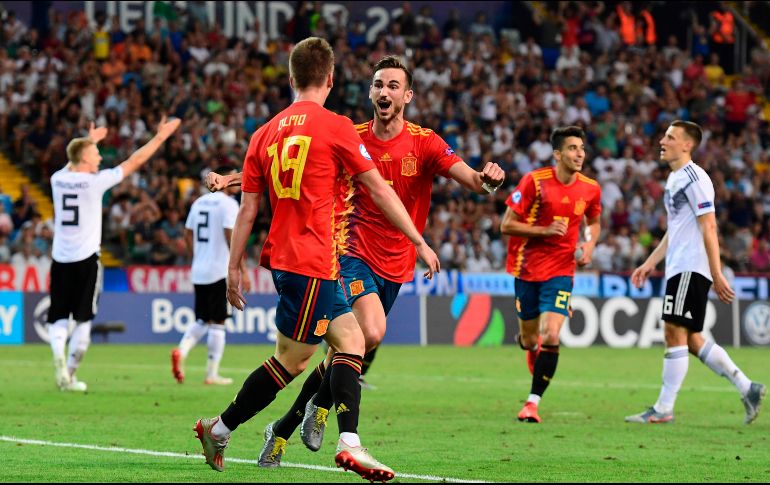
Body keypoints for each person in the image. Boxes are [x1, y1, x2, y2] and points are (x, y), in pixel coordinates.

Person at [206, 55, 504, 466]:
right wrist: (230, 179)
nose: (385, 91)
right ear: (369, 92)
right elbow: (294, 160)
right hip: (347, 253)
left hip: (395, 265)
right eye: (378, 84)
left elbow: (472, 179)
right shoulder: (352, 133)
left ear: (408, 95)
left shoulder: (425, 142)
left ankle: (286, 426)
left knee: (344, 348)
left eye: (393, 86)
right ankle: (341, 436)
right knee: (367, 333)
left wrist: (488, 180)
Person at [625, 120, 766, 425]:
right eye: (664, 135)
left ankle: (663, 408)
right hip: (679, 266)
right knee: (690, 339)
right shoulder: (675, 179)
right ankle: (747, 387)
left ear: (687, 145)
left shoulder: (694, 177)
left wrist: (716, 272)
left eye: (670, 137)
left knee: (673, 332)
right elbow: (674, 230)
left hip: (691, 266)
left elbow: (709, 225)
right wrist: (650, 262)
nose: (662, 140)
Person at [48, 117, 181, 392]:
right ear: (85, 157)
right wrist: (160, 138)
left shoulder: (57, 180)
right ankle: (69, 375)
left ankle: (58, 354)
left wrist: (90, 142)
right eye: (96, 153)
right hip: (86, 259)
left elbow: (72, 161)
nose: (99, 158)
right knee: (83, 319)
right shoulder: (96, 182)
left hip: (60, 259)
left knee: (59, 317)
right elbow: (134, 161)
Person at [500, 126, 602, 424]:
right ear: (557, 154)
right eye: (572, 148)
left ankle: (532, 403)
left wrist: (590, 243)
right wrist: (544, 231)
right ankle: (531, 347)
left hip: (561, 270)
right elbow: (506, 225)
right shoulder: (535, 182)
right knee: (530, 339)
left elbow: (594, 221)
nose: (579, 153)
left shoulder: (590, 188)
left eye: (582, 148)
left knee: (552, 333)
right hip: (527, 268)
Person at [170, 166, 249, 386]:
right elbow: (230, 235)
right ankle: (211, 374)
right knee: (218, 322)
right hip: (218, 270)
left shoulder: (198, 202)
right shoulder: (229, 204)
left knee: (203, 319)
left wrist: (197, 257)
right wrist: (241, 269)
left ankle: (181, 351)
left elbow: (187, 233)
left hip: (199, 270)